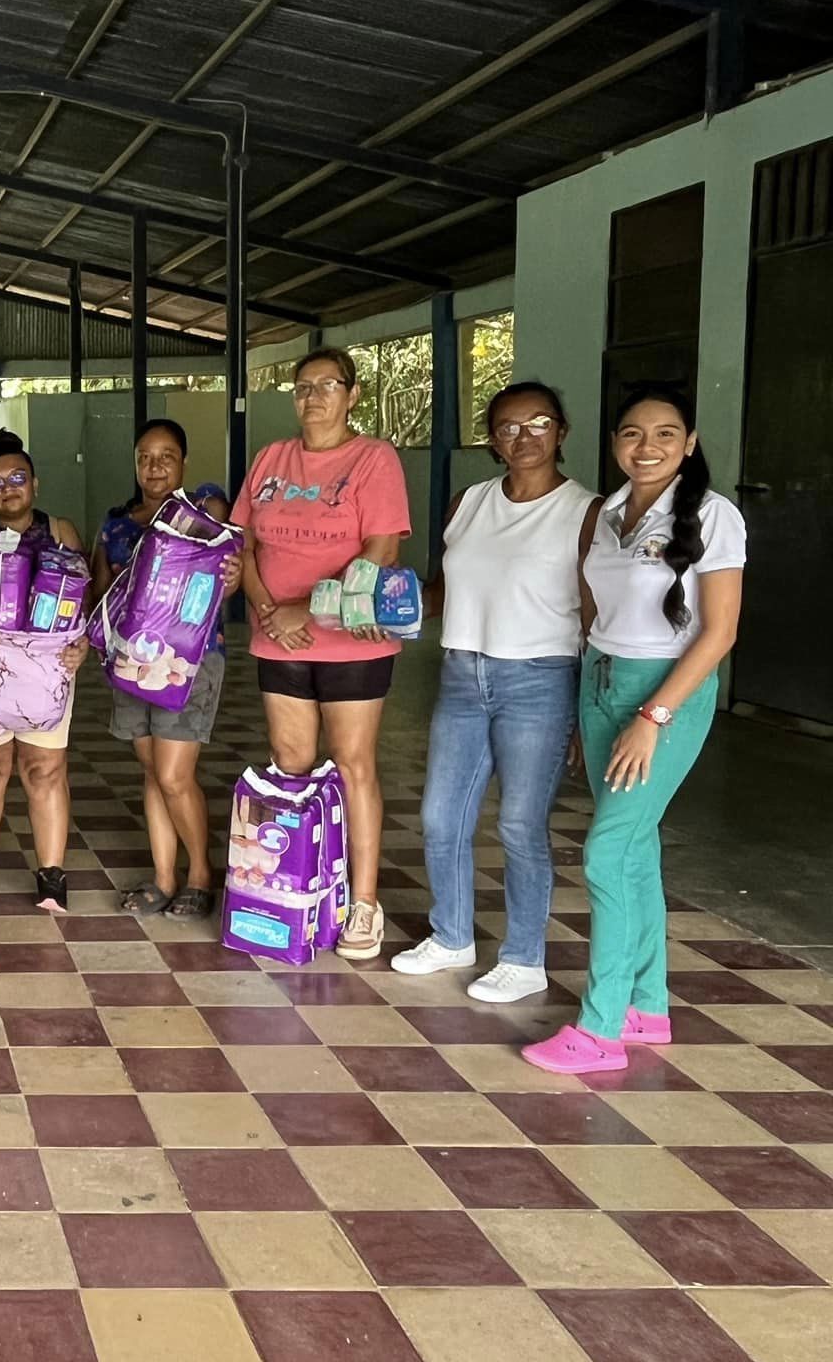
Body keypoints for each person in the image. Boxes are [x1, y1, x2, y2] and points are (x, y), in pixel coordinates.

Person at [524, 385, 744, 1075]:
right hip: (602, 681)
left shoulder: (713, 515)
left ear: (691, 442)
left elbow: (720, 633)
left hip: (665, 694)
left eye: (664, 434)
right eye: (631, 434)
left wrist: (654, 717)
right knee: (635, 848)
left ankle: (600, 1028)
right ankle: (647, 1007)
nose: (646, 447)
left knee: (606, 852)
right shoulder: (612, 510)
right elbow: (596, 609)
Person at [393, 384, 598, 1002]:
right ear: (492, 439)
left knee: (519, 824)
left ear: (561, 432)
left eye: (539, 423)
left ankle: (524, 958)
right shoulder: (469, 502)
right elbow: (441, 591)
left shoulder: (586, 512)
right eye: (509, 427)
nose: (524, 437)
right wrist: (383, 603)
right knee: (439, 816)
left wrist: (586, 717)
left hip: (539, 680)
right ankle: (452, 935)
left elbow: (596, 617)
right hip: (461, 673)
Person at [234, 348, 412, 961]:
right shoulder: (271, 459)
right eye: (302, 386)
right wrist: (265, 610)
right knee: (291, 764)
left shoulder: (373, 459)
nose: (313, 397)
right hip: (275, 636)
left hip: (350, 640)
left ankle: (363, 903)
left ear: (353, 394)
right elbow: (245, 544)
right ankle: (298, 886)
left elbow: (380, 551)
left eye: (327, 385)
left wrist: (301, 612)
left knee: (353, 764)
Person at [91, 419, 236, 920]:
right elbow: (102, 589)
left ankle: (200, 873)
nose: (154, 467)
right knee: (153, 772)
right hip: (133, 663)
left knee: (175, 776)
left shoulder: (204, 511)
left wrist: (233, 579)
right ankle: (163, 876)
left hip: (189, 660)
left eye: (166, 457)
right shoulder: (115, 524)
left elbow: (228, 577)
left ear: (184, 462)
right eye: (145, 458)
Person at [0, 429, 88, 913]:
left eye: (17, 479)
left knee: (44, 769)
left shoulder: (61, 530)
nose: (8, 489)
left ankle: (51, 874)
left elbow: (79, 602)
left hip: (48, 673)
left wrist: (83, 645)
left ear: (35, 484)